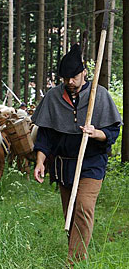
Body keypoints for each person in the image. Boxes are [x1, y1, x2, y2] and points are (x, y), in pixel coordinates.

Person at [32, 44, 122, 266]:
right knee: (71, 215)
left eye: (73, 77)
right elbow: (45, 135)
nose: (69, 82)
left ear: (84, 73)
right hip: (64, 166)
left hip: (91, 163)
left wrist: (96, 133)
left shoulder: (99, 96)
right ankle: (77, 251)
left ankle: (74, 262)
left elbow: (112, 131)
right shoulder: (53, 97)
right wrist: (40, 162)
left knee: (83, 207)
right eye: (65, 78)